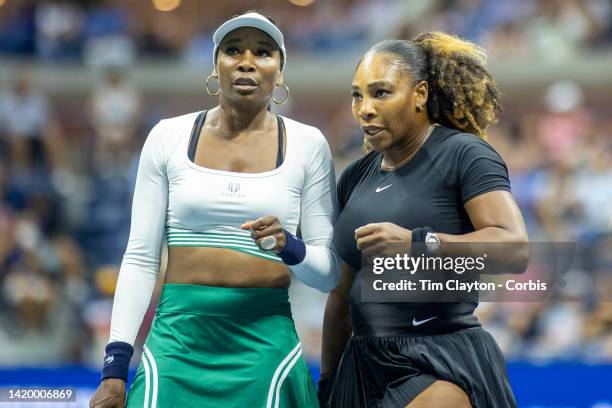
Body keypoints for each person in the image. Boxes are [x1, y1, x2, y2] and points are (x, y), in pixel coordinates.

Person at [89, 12, 340, 408]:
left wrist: (289, 246)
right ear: (215, 65)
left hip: (265, 347)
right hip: (176, 344)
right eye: (233, 50)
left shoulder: (310, 145)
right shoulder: (167, 136)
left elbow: (328, 274)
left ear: (281, 72)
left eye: (263, 52)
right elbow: (140, 258)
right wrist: (115, 367)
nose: (246, 60)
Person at [319, 32, 529, 408]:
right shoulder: (355, 176)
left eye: (381, 93)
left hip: (439, 361)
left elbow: (514, 249)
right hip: (359, 365)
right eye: (357, 95)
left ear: (420, 94)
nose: (365, 108)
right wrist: (328, 380)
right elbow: (340, 295)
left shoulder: (465, 154)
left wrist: (418, 242)